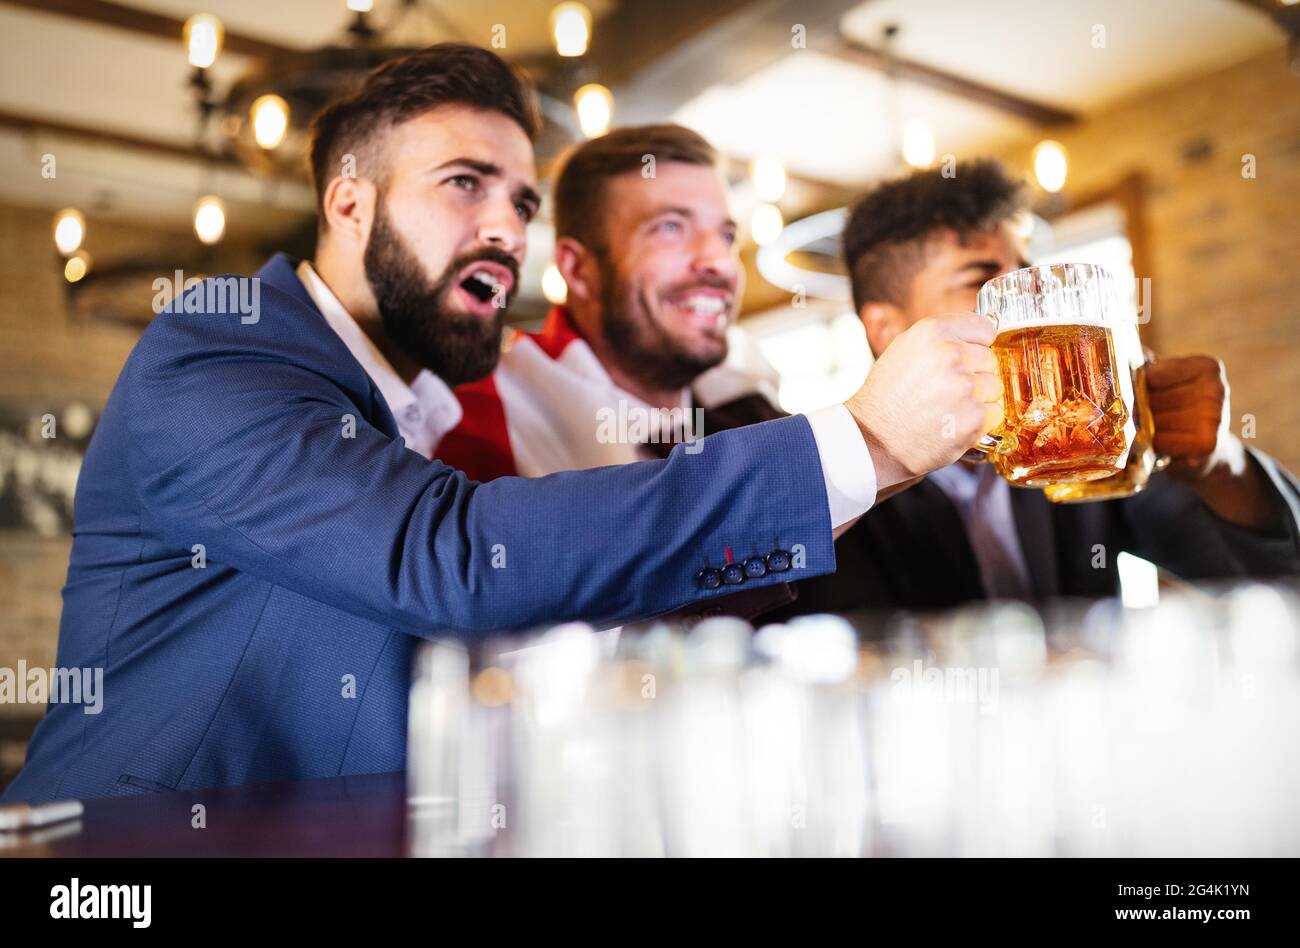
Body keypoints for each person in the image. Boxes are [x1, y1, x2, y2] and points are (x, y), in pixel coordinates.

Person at [2, 47, 1001, 804]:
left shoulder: (412, 410)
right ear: (349, 202)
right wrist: (860, 441)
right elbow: (453, 561)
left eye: (520, 200)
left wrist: (883, 464)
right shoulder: (214, 356)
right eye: (463, 183)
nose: (502, 229)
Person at [775, 159, 1300, 617]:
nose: (1028, 310)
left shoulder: (1078, 455)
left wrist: (1220, 466)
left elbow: (1278, 583)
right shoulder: (833, 497)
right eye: (983, 282)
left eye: (1027, 277)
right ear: (886, 330)